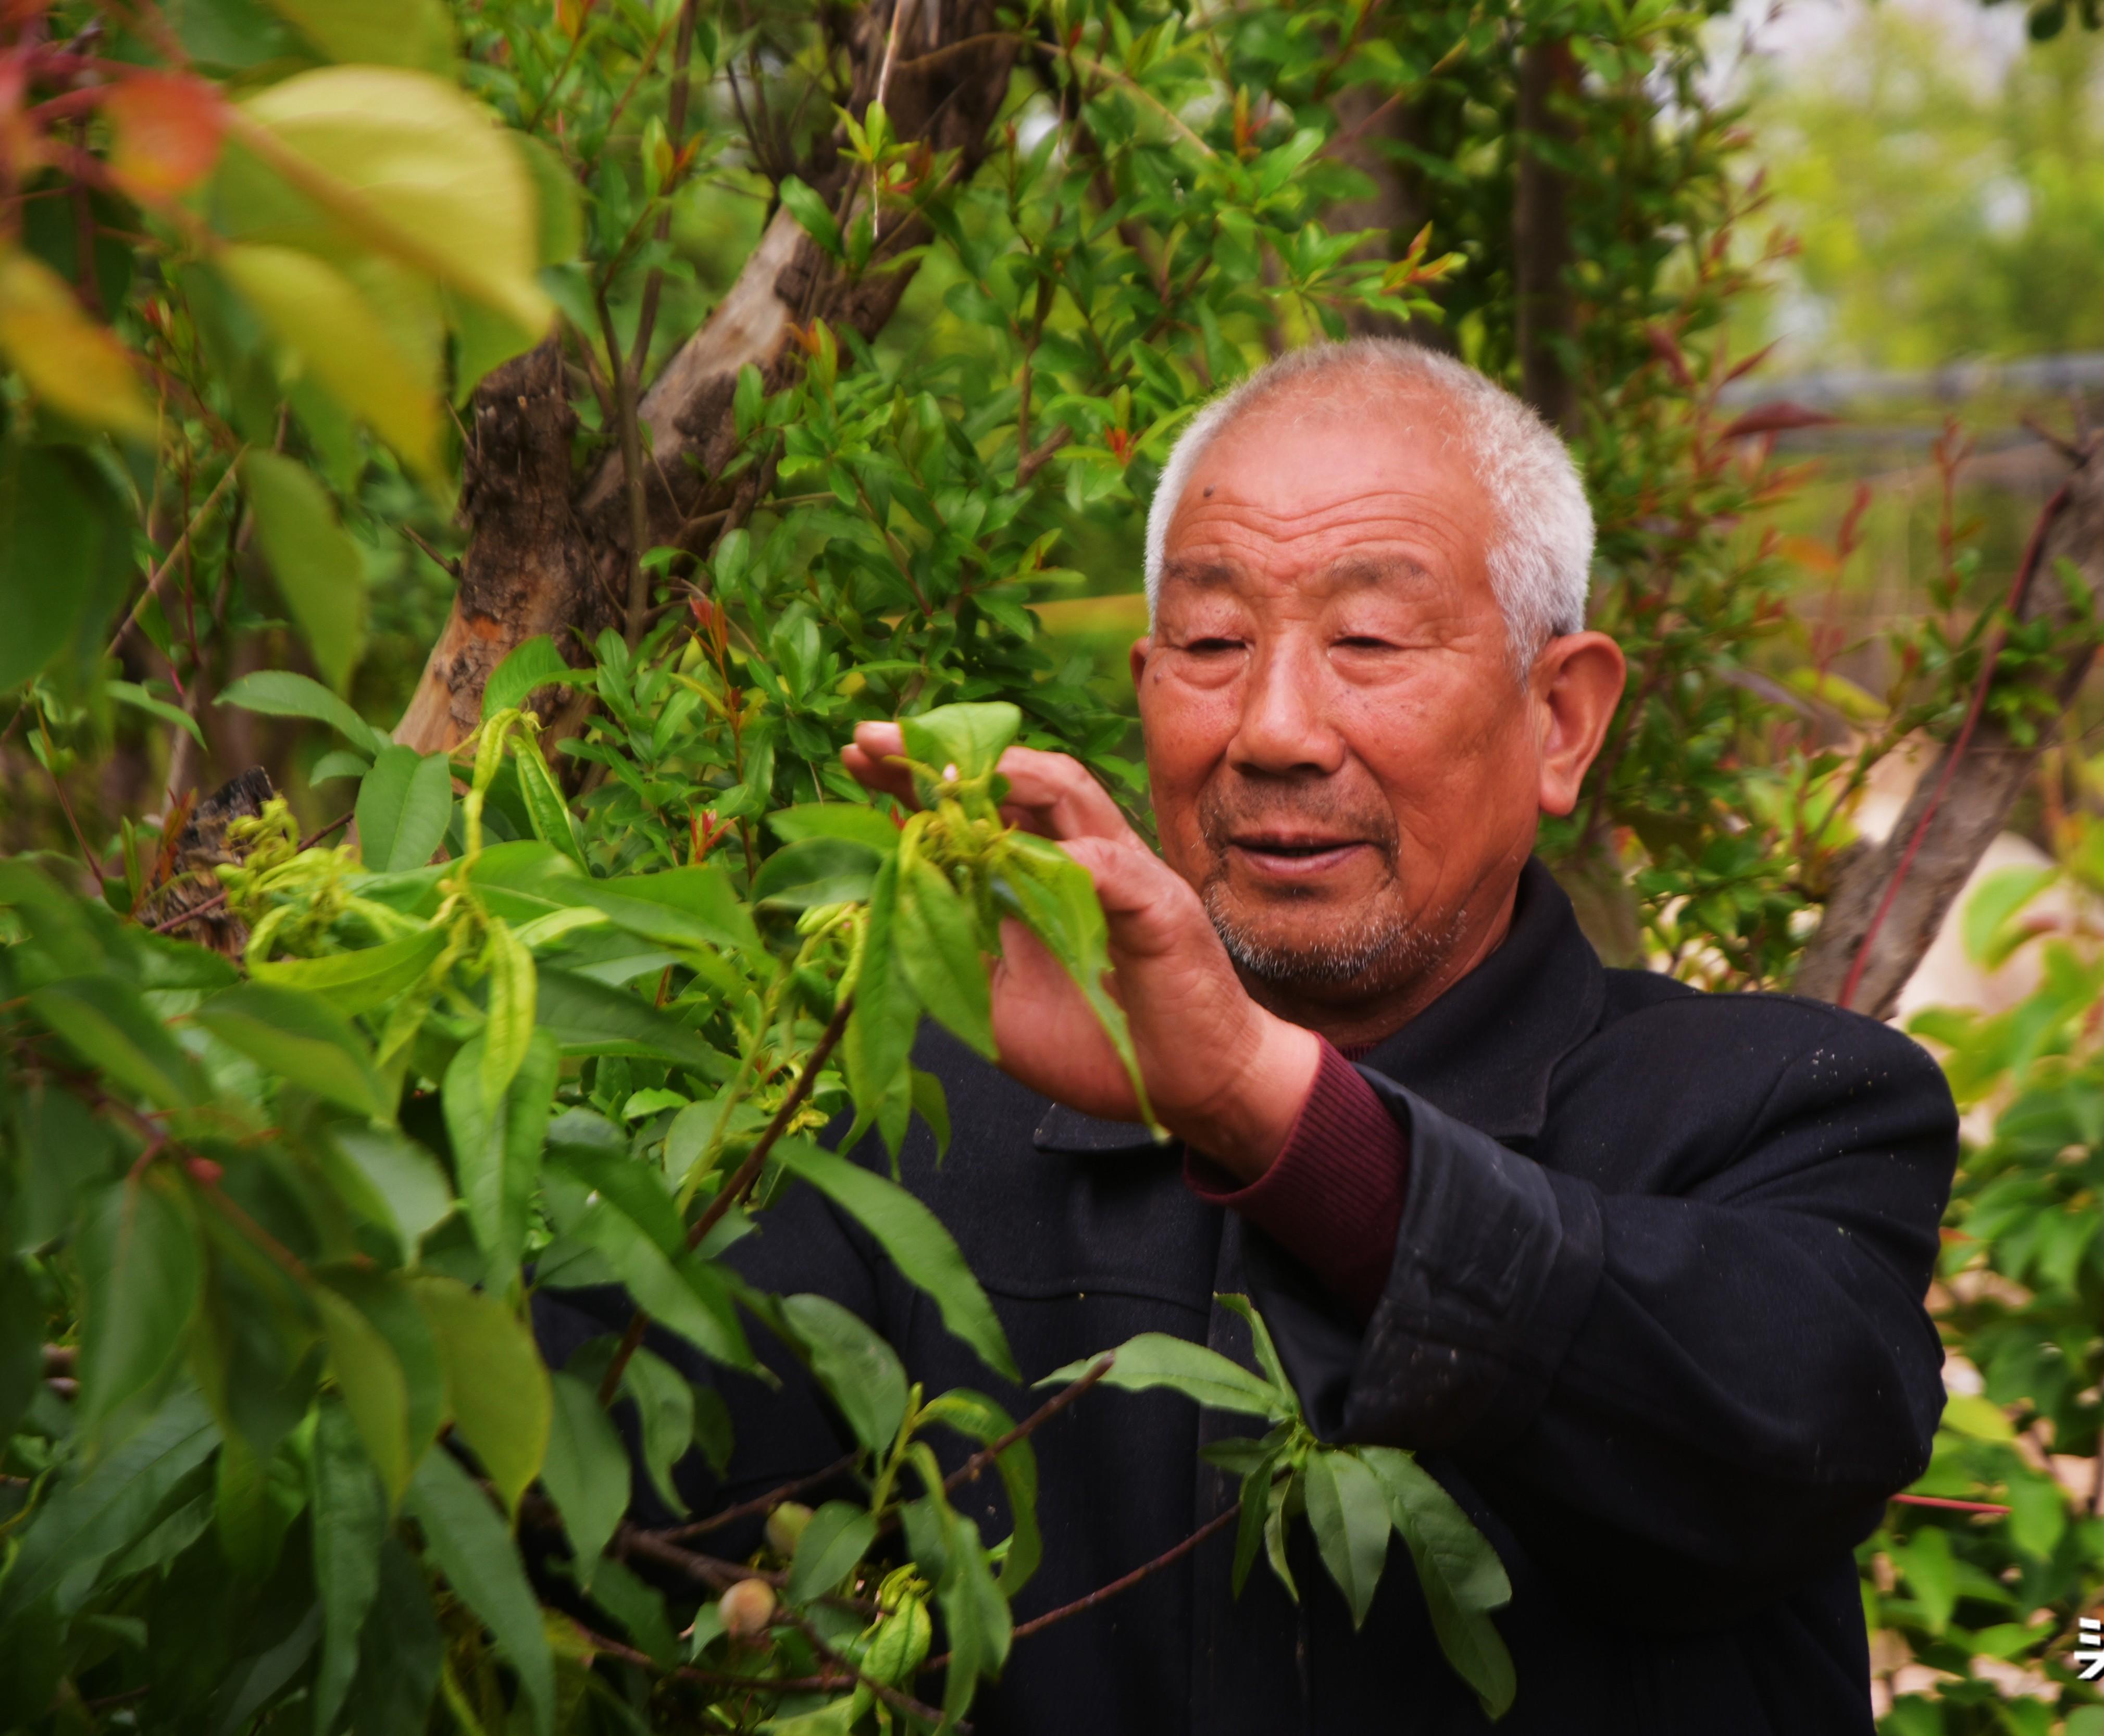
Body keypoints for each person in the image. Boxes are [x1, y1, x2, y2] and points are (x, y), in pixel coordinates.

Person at [576, 339, 1958, 1733]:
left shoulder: (1781, 1108)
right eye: (1215, 645)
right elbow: (581, 1471)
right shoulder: (955, 1123)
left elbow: (1773, 1448)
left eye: (1368, 642)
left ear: (1560, 717)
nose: (1275, 729)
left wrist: (1265, 1106)